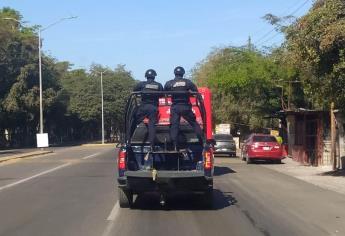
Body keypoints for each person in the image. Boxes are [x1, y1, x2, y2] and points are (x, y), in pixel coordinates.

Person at [164, 66, 204, 150]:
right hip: (185, 106)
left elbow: (164, 93)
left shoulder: (169, 83)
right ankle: (203, 141)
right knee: (194, 123)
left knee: (174, 126)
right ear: (183, 73)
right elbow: (195, 92)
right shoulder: (188, 82)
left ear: (175, 73)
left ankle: (174, 146)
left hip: (175, 107)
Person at [130, 69, 163, 151]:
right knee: (152, 126)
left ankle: (128, 139)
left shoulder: (142, 84)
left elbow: (135, 90)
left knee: (133, 120)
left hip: (143, 107)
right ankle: (152, 145)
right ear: (154, 76)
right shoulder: (158, 85)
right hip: (153, 108)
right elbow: (162, 94)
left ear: (146, 76)